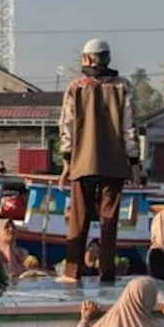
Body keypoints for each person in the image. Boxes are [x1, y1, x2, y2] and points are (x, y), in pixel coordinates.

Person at [58, 38, 139, 284]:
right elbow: (130, 128)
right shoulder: (123, 86)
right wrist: (134, 162)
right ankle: (107, 274)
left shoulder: (76, 87)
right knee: (109, 222)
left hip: (82, 163)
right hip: (114, 164)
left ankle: (72, 273)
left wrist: (66, 162)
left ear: (88, 59)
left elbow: (67, 126)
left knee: (78, 220)